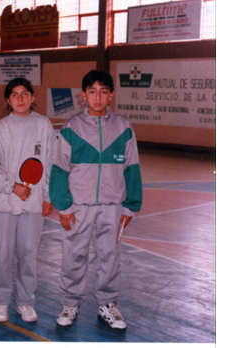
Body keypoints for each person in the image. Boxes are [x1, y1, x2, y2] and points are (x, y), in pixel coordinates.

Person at [49, 70, 143, 331]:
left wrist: (130, 205)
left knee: (110, 256)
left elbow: (132, 168)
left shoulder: (123, 127)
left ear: (111, 94)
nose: (98, 97)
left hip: (112, 207)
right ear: (83, 95)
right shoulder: (72, 127)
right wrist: (64, 206)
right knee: (73, 255)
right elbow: (59, 169)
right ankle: (70, 303)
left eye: (103, 91)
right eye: (92, 91)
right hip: (78, 207)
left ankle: (107, 304)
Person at [0, 78, 55, 323]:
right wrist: (12, 187)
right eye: (14, 94)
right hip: (4, 203)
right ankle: (1, 301)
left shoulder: (44, 125)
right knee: (2, 254)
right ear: (8, 100)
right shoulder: (0, 128)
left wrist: (46, 196)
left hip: (33, 206)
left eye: (25, 94)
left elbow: (51, 164)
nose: (20, 98)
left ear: (33, 98)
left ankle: (25, 302)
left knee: (28, 254)